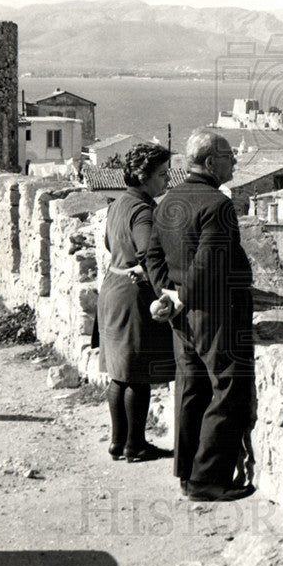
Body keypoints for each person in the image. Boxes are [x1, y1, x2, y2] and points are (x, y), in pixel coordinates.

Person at [146, 130, 256, 502]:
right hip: (215, 314)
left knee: (192, 389)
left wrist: (168, 294)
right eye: (229, 156)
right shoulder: (218, 205)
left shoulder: (168, 200)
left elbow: (152, 255)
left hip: (182, 318)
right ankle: (207, 479)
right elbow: (209, 265)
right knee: (228, 389)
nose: (235, 162)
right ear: (211, 163)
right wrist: (182, 298)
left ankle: (185, 471)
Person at [96, 143, 176, 463]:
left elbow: (106, 242)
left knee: (119, 372)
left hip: (112, 287)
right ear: (143, 177)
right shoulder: (143, 209)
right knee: (138, 375)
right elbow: (148, 251)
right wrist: (164, 292)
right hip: (133, 296)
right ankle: (136, 445)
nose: (167, 179)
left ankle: (118, 442)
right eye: (161, 174)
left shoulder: (118, 204)